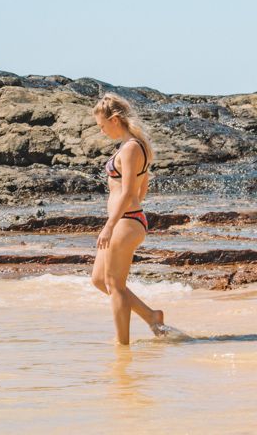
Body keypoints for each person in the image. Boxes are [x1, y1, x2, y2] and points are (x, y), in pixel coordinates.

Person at [91, 93, 165, 344]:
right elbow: (143, 186)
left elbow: (129, 192)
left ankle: (122, 346)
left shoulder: (132, 147)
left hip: (124, 220)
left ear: (114, 119)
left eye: (102, 126)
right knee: (100, 280)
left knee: (116, 285)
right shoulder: (131, 146)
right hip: (126, 218)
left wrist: (111, 224)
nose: (101, 131)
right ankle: (151, 315)